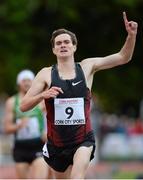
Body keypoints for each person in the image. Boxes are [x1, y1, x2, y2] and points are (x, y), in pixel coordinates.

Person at [20, 12, 138, 179]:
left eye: (67, 42)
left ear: (74, 46)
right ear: (54, 49)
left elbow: (122, 57)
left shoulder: (87, 67)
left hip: (83, 140)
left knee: (77, 177)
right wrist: (43, 95)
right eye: (58, 43)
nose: (63, 45)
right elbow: (23, 106)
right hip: (57, 145)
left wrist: (131, 36)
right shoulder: (46, 74)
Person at [3, 70, 48, 179]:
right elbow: (6, 128)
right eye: (24, 80)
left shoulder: (40, 100)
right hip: (20, 147)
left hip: (38, 144)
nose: (27, 83)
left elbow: (51, 118)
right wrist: (18, 126)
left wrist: (47, 133)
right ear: (19, 83)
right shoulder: (12, 102)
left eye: (29, 80)